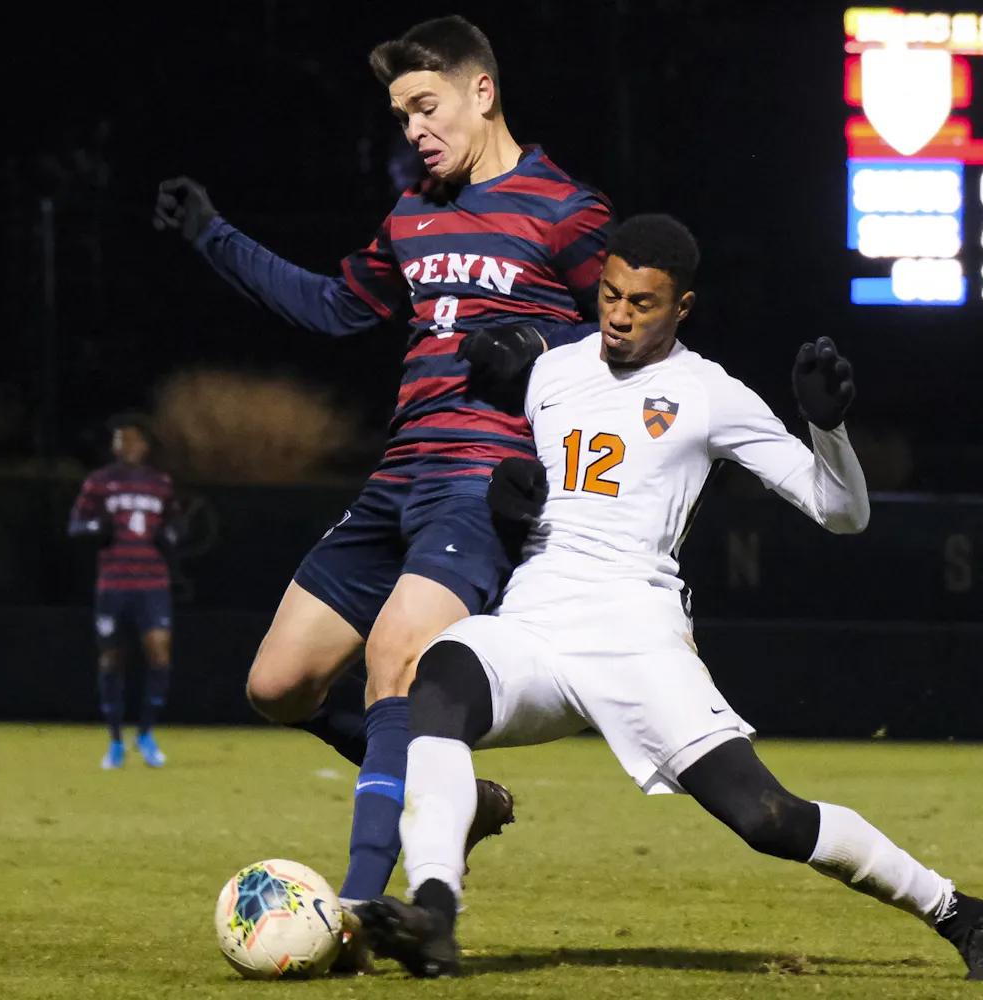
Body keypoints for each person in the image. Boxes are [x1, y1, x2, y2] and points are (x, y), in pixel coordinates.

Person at [354, 215, 983, 982]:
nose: (619, 314)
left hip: (637, 636)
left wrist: (828, 429)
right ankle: (434, 913)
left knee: (767, 818)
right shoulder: (552, 372)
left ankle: (966, 915)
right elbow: (532, 481)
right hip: (535, 622)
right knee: (438, 679)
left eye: (642, 302)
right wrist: (510, 502)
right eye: (609, 294)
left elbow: (843, 513)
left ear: (683, 308)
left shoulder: (708, 393)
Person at [154, 14, 612, 907]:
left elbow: (636, 340)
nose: (414, 131)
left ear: (484, 92)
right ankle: (454, 795)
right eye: (402, 115)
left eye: (427, 107)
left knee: (396, 661)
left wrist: (550, 366)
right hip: (397, 477)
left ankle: (359, 908)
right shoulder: (412, 216)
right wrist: (215, 235)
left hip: (483, 484)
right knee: (277, 685)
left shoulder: (566, 210)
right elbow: (331, 307)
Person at [69, 414, 179, 769]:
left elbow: (175, 524)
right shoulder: (100, 483)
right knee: (111, 658)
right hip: (113, 583)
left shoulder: (160, 483)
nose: (126, 446)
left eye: (132, 440)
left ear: (144, 446)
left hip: (152, 582)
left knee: (159, 653)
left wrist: (173, 536)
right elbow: (75, 524)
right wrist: (94, 528)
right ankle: (115, 740)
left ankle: (145, 733)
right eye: (120, 440)